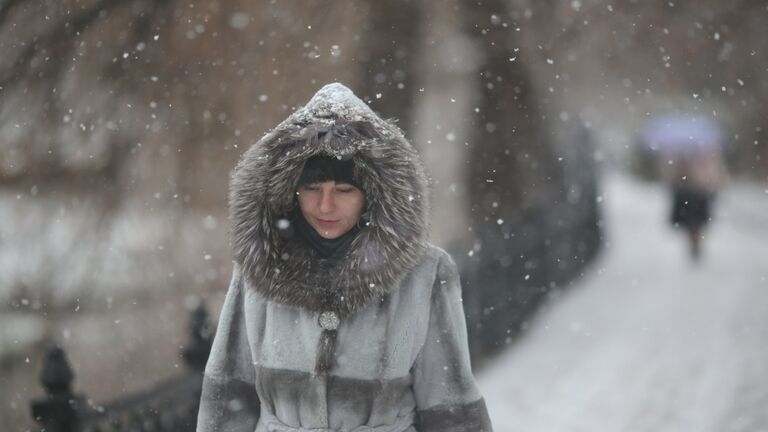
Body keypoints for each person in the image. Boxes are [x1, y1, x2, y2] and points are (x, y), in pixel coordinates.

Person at [196, 83, 493, 432]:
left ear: (371, 194)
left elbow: (449, 407)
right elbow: (229, 398)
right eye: (312, 188)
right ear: (291, 191)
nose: (325, 206)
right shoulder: (258, 268)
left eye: (344, 190)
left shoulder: (425, 274)